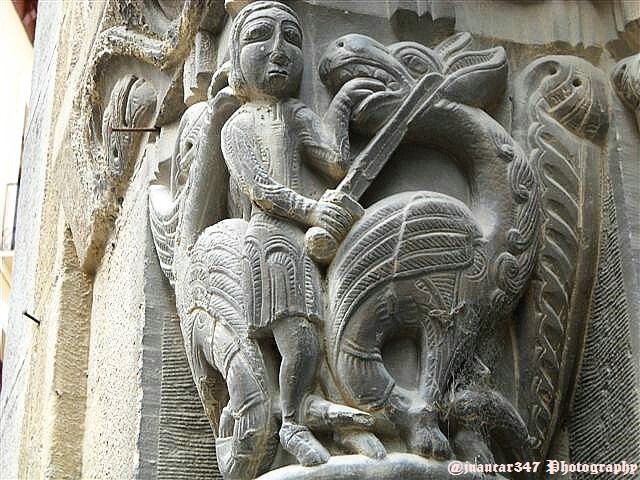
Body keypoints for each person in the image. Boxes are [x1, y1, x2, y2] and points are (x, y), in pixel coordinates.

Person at [220, 0, 383, 467]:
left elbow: (334, 162)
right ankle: (292, 423)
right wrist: (314, 210)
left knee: (323, 338)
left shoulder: (295, 113)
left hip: (303, 246)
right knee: (299, 343)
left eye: (291, 38)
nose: (279, 50)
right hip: (270, 243)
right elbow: (260, 189)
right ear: (236, 56)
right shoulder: (237, 125)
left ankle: (336, 417)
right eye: (261, 36)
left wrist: (344, 103)